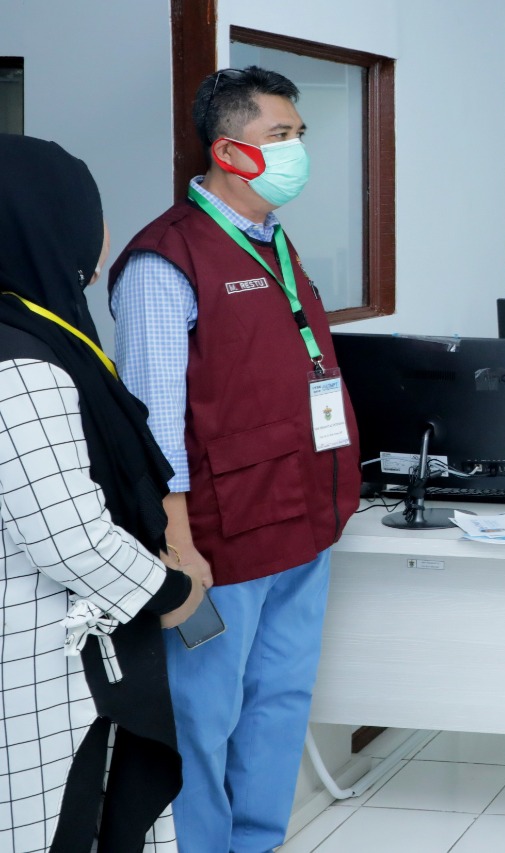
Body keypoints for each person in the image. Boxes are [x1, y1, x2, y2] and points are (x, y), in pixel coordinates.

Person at [108, 67, 362, 853]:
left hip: (302, 521)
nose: (296, 150)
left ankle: (258, 841)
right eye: (279, 136)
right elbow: (153, 422)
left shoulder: (273, 240)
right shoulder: (165, 259)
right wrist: (177, 546)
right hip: (221, 540)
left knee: (280, 700)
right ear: (229, 151)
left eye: (298, 135)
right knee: (203, 715)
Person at [0, 134, 204, 850]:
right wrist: (170, 589)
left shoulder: (40, 336)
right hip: (40, 659)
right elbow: (69, 537)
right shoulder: (23, 365)